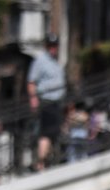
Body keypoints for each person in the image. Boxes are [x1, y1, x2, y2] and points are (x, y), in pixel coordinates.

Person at [27, 33, 67, 171]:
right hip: (47, 101)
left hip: (56, 102)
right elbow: (31, 82)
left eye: (55, 46)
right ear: (46, 46)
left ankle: (48, 161)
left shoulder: (55, 62)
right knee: (47, 132)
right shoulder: (40, 61)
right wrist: (33, 99)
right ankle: (40, 163)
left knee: (55, 132)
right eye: (50, 46)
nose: (53, 49)